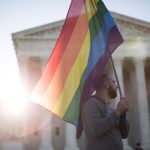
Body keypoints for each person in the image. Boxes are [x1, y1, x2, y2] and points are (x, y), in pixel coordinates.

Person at [82, 73, 129, 150]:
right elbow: (96, 128)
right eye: (113, 82)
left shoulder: (111, 108)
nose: (116, 86)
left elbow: (124, 134)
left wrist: (122, 115)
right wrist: (117, 112)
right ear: (106, 84)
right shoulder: (91, 103)